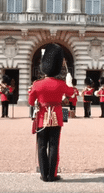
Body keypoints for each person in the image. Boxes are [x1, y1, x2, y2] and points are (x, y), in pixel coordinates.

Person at [28, 44, 74, 182]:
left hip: (42, 117)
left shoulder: (37, 84)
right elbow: (71, 93)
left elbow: (31, 102)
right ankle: (52, 174)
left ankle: (43, 174)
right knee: (54, 145)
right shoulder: (61, 84)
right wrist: (70, 83)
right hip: (57, 116)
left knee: (42, 146)